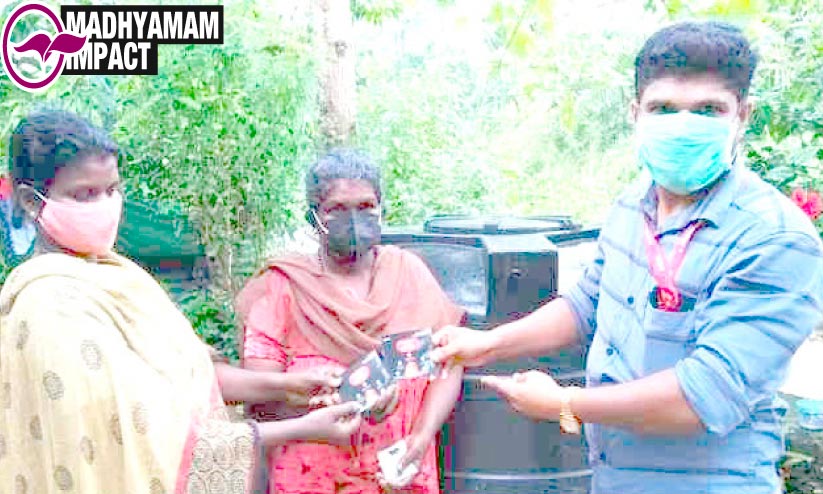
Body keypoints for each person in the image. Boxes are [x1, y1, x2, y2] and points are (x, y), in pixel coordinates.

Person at [432, 21, 823, 494]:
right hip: (615, 477)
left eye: (707, 110)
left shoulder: (775, 240)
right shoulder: (633, 203)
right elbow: (588, 302)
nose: (683, 126)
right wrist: (487, 344)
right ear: (634, 113)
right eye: (663, 108)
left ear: (743, 115)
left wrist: (564, 402)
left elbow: (704, 396)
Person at [0, 109, 362, 494]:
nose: (106, 205)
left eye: (112, 189)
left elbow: (187, 379)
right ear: (30, 201)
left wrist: (288, 386)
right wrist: (301, 429)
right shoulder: (48, 307)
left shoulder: (117, 275)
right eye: (85, 194)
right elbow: (148, 440)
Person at [236, 148, 465, 494]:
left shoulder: (409, 274)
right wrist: (337, 397)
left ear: (381, 208)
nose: (354, 220)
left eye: (365, 207)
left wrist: (420, 438)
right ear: (314, 217)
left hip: (398, 472)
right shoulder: (287, 286)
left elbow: (449, 363)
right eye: (337, 209)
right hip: (310, 475)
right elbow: (261, 388)